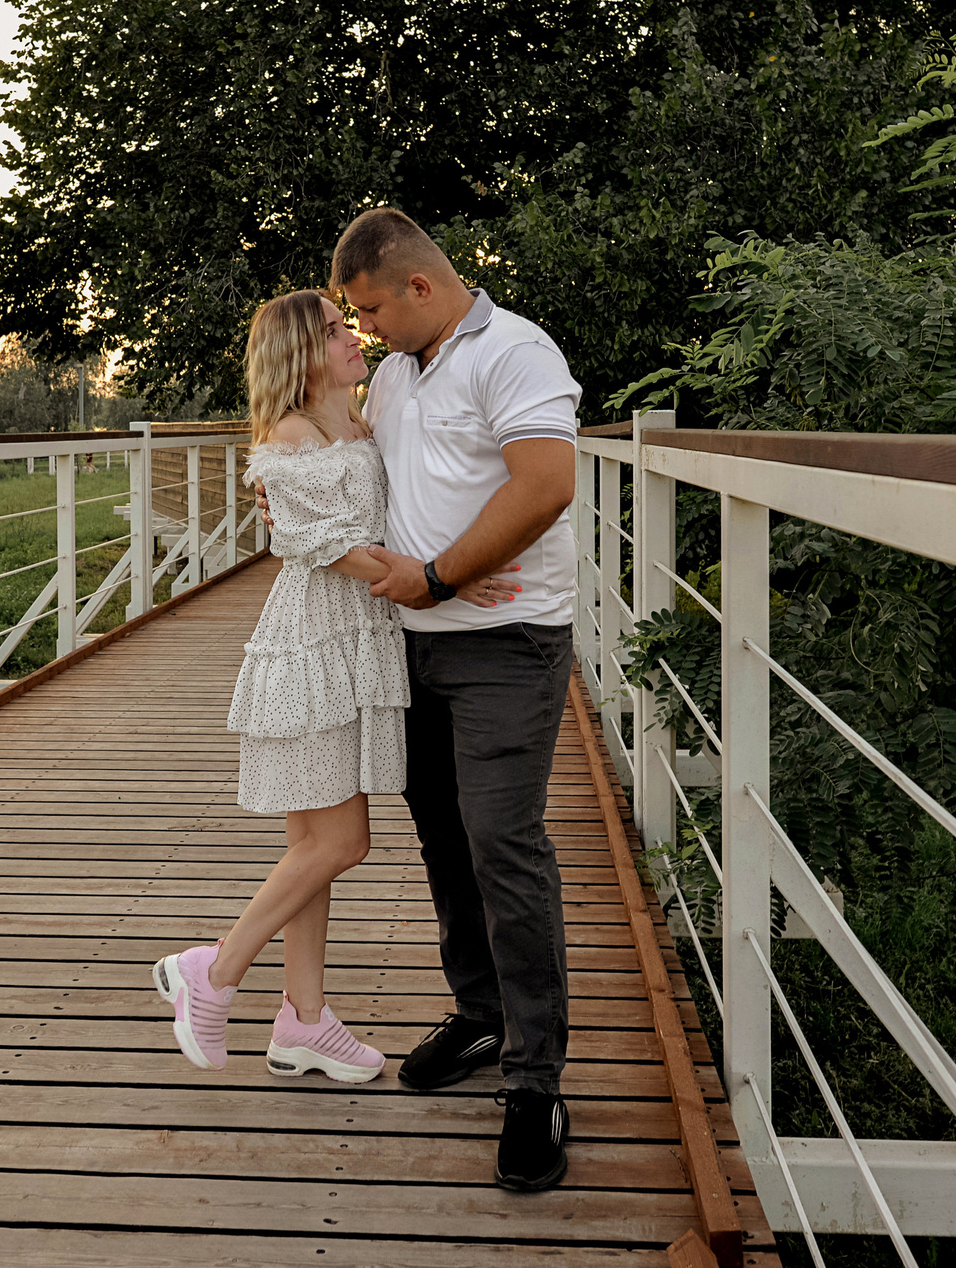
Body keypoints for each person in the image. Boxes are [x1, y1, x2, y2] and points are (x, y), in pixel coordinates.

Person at [153, 289, 518, 1082]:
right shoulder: (291, 433)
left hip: (358, 643)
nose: (351, 335)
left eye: (347, 321)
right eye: (331, 328)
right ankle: (211, 972)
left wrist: (455, 558)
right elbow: (316, 539)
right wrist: (438, 579)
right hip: (314, 645)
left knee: (310, 847)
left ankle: (304, 1019)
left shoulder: (364, 415)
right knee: (339, 842)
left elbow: (410, 493)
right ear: (298, 352)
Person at [332, 206, 584, 1195]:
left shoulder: (514, 352)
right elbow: (355, 466)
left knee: (501, 844)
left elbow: (545, 485)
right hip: (410, 645)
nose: (365, 329)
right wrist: (291, 490)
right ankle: (480, 1011)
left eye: (370, 308)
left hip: (505, 643)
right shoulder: (397, 374)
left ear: (420, 288)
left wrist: (438, 574)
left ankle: (536, 1077)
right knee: (442, 838)